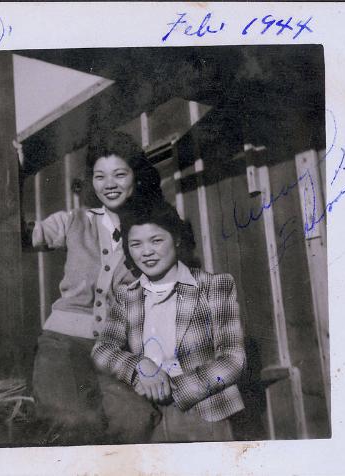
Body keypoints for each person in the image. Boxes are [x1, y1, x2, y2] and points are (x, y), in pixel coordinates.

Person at [23, 131, 163, 445]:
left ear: (135, 178)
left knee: (138, 418)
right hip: (62, 346)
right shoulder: (74, 221)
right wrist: (15, 175)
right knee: (73, 422)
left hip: (112, 352)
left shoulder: (150, 233)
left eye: (119, 174)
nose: (109, 184)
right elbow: (16, 235)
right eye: (100, 176)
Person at [91, 200, 246, 443]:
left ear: (176, 238)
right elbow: (102, 349)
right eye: (136, 244)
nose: (146, 252)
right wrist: (140, 367)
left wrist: (173, 389)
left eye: (156, 240)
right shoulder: (126, 296)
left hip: (204, 413)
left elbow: (232, 360)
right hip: (144, 415)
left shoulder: (216, 286)